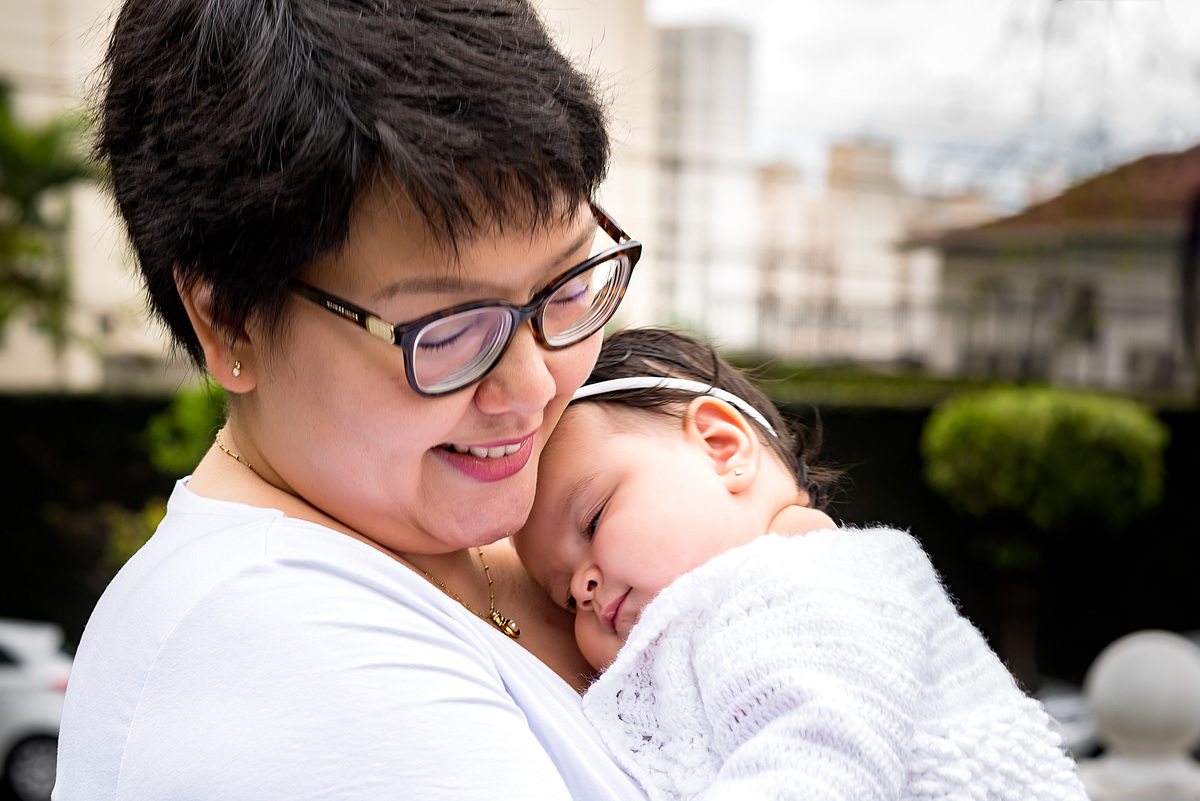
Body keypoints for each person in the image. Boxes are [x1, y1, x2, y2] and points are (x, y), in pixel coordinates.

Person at [54, 2, 650, 798]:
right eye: (448, 330)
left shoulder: (531, 526)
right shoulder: (281, 651)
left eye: (567, 283)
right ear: (227, 314)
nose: (534, 388)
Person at [516, 327, 1090, 801]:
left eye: (592, 521)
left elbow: (823, 759)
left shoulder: (811, 582)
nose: (584, 585)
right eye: (564, 595)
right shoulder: (732, 604)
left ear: (722, 449)